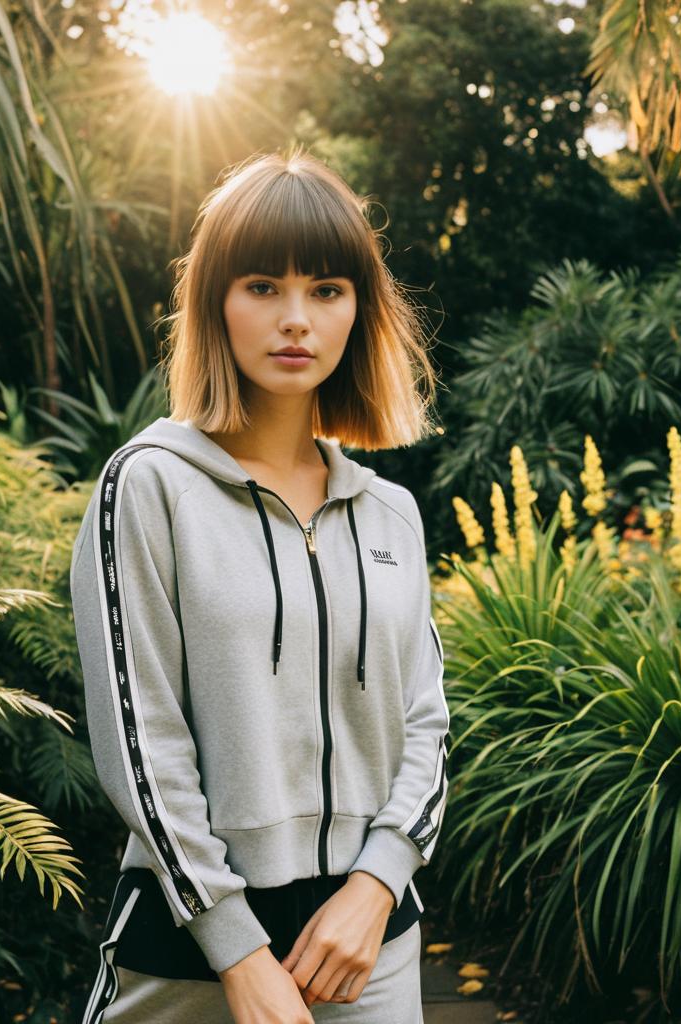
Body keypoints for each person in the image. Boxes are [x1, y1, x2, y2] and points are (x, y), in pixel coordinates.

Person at [69, 146, 451, 1024]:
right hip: (192, 944)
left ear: (359, 309)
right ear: (215, 303)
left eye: (326, 290)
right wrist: (237, 947)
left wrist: (377, 886)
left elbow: (427, 721)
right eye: (261, 287)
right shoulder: (149, 485)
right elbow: (140, 739)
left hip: (367, 945)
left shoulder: (389, 513)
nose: (295, 320)